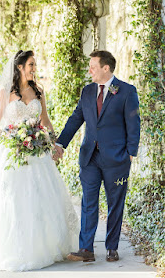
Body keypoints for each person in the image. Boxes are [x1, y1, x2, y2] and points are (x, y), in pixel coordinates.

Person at [0, 50, 79, 271]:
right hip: (13, 154)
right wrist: (13, 143)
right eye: (31, 65)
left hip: (37, 153)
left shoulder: (38, 91)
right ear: (19, 67)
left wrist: (54, 143)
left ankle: (45, 246)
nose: (34, 69)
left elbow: (44, 119)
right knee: (14, 200)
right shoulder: (4, 92)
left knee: (40, 197)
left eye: (34, 65)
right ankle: (15, 249)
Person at [55, 50, 140, 263]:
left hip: (117, 158)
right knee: (88, 202)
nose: (89, 69)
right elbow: (76, 119)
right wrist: (60, 144)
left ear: (106, 68)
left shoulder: (126, 92)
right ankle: (86, 249)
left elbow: (134, 124)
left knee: (115, 204)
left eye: (93, 65)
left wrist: (130, 154)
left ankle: (112, 248)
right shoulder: (87, 91)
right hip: (90, 157)